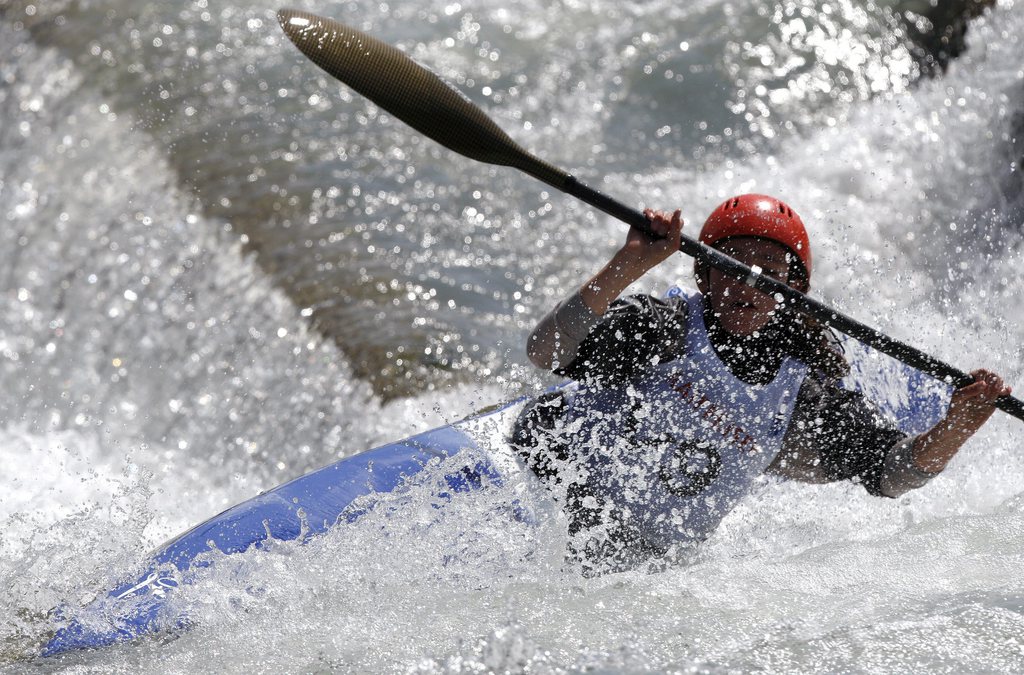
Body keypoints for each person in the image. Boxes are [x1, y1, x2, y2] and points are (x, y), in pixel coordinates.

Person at [515, 193, 1011, 575]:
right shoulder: (662, 328)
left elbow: (891, 474)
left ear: (795, 290)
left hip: (640, 558)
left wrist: (958, 427)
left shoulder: (804, 394)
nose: (747, 286)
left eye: (767, 274)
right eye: (731, 269)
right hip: (544, 482)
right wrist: (631, 264)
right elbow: (546, 351)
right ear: (704, 277)